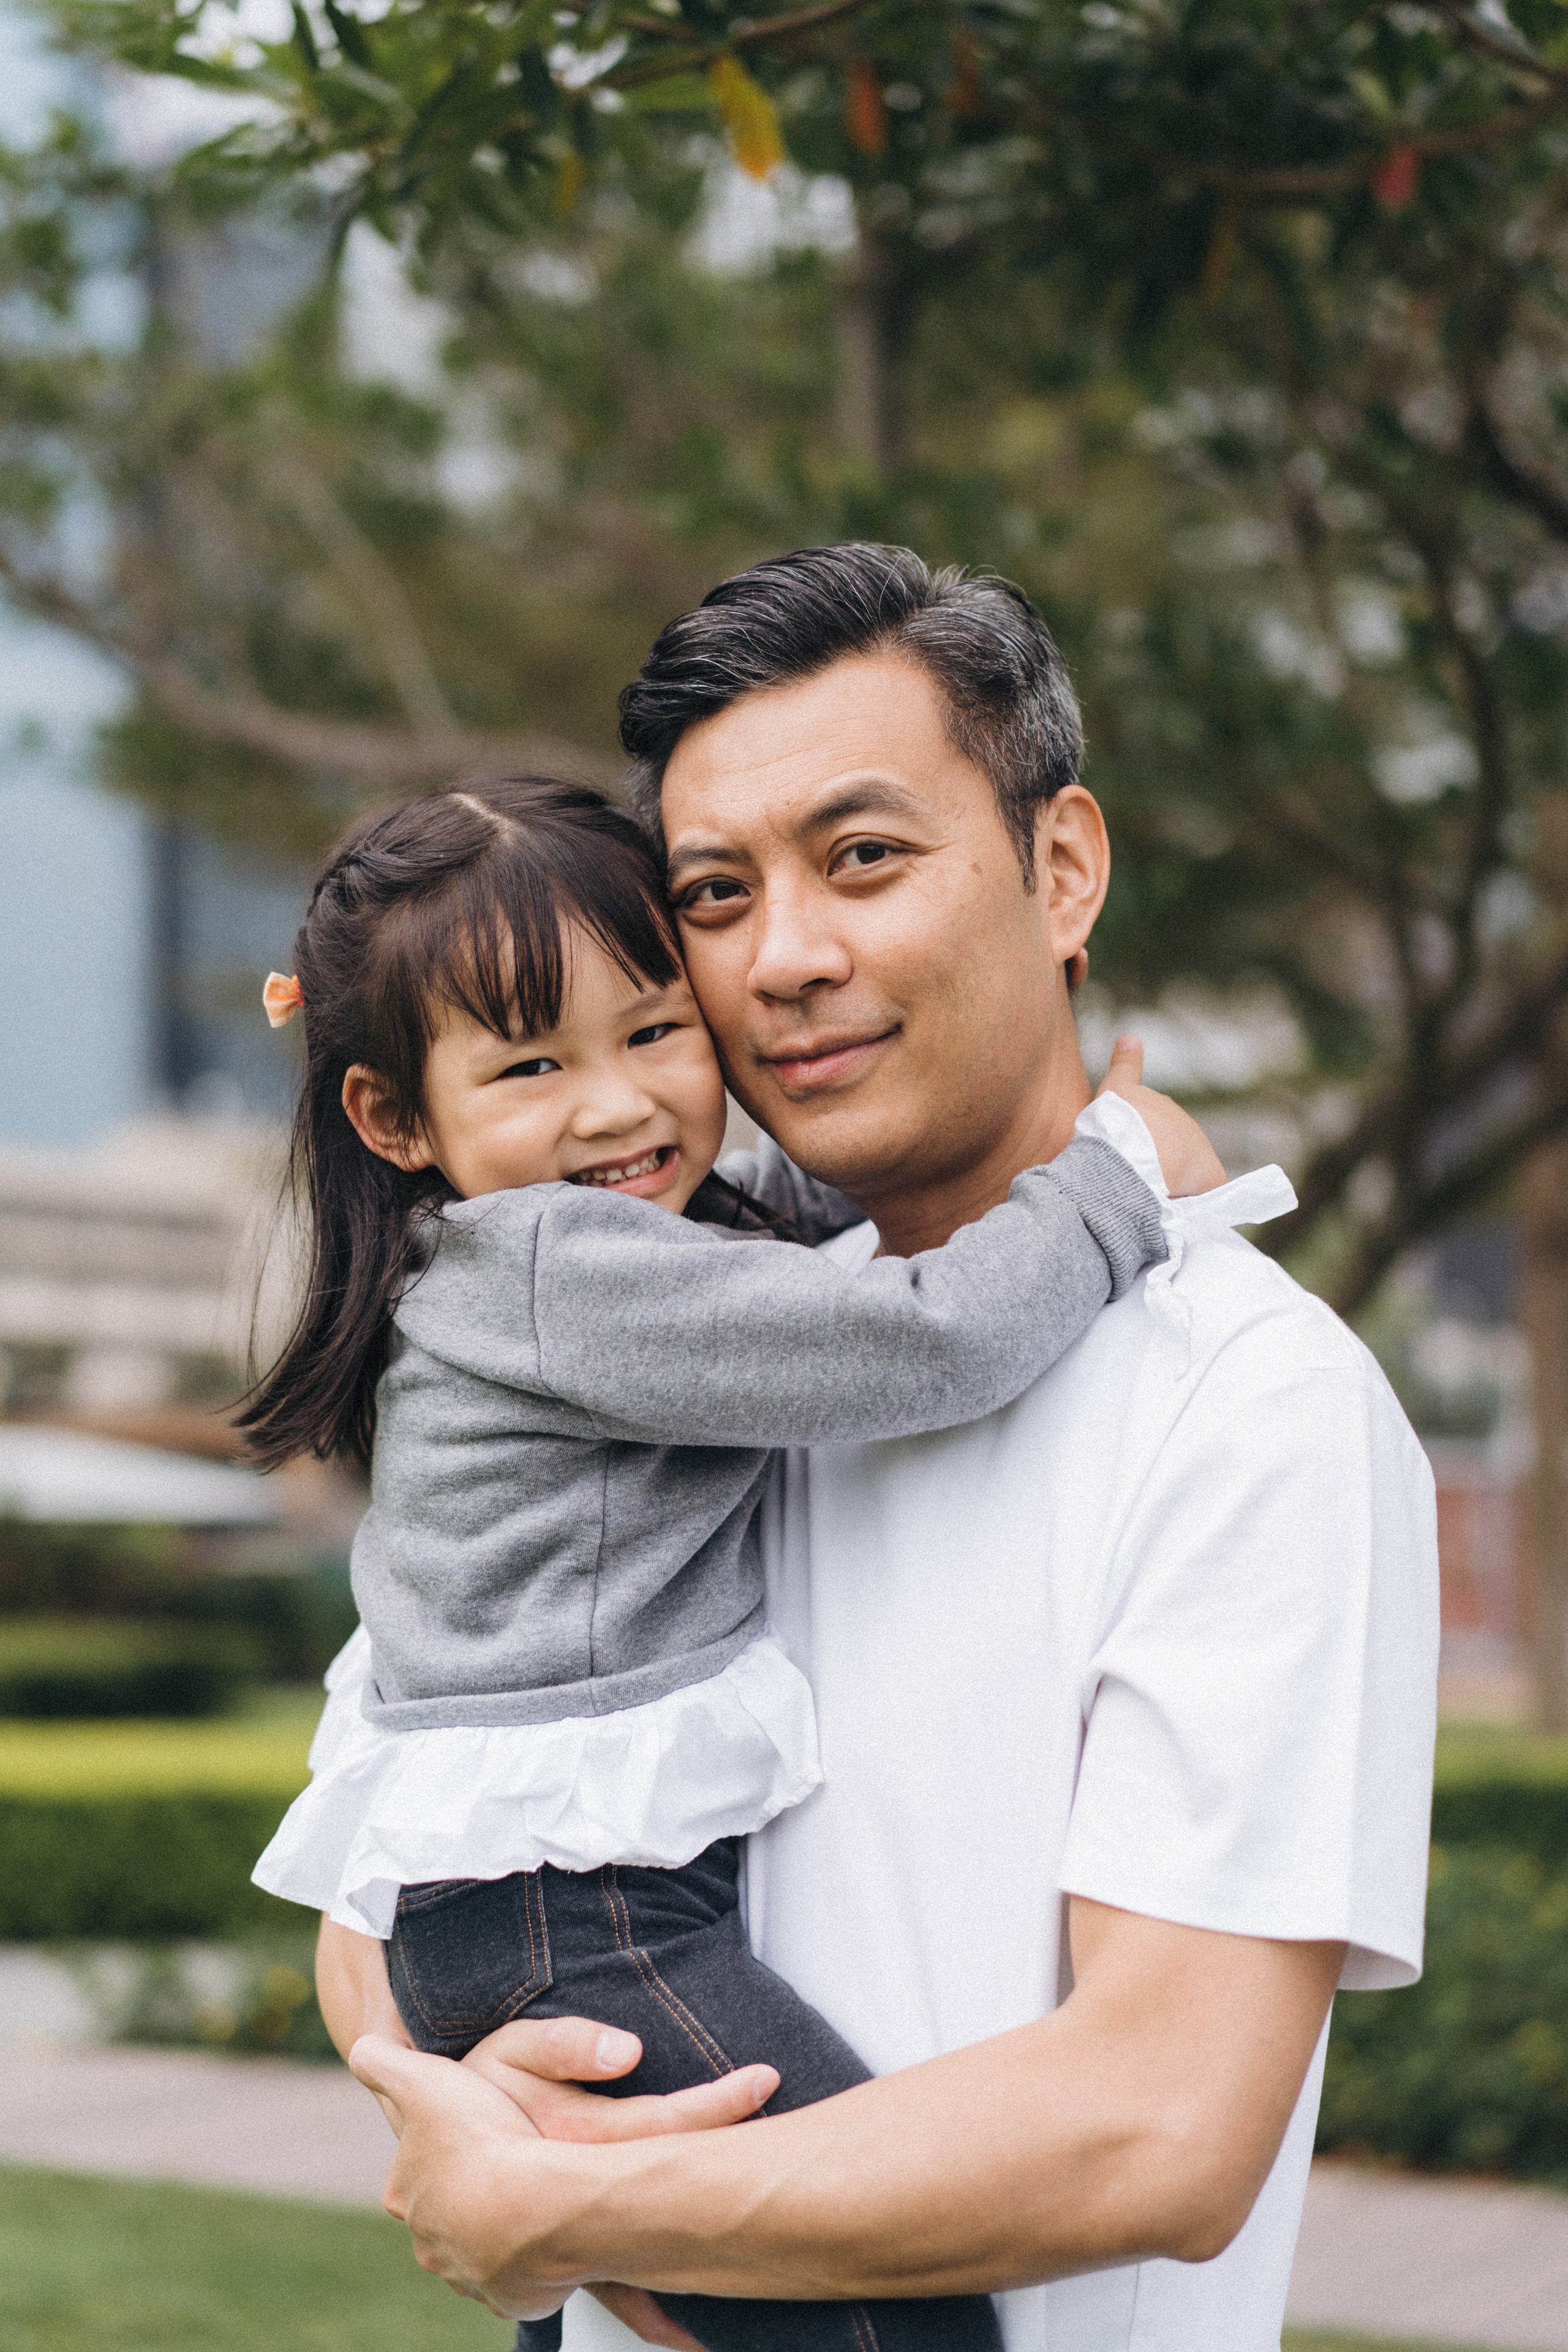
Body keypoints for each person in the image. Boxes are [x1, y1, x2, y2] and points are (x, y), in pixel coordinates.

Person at [333, 547, 1440, 2352]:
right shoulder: (666, 1325)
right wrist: (435, 2079)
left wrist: (559, 2196)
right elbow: (382, 1852)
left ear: (1060, 867)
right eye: (714, 893)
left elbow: (1159, 2126)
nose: (789, 959)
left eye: (863, 857)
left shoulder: (1247, 1402)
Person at [243, 771, 1221, 2352]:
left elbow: (802, 1210)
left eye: (652, 1032)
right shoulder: (564, 1265)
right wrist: (1106, 1178)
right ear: (395, 1119)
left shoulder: (569, 1242)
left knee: (686, 2307)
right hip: (588, 1917)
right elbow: (930, 1340)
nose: (616, 1105)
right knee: (902, 2327)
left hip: (549, 1915)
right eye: (533, 1065)